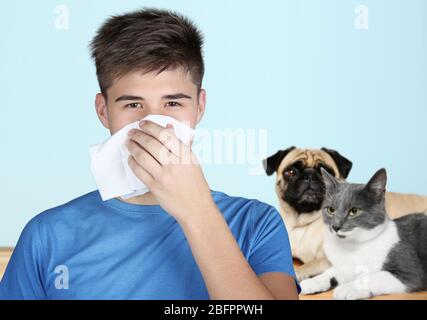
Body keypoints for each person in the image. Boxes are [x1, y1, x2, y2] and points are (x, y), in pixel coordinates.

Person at [0, 8, 300, 299]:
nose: (153, 124)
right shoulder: (47, 235)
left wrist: (196, 209)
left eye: (172, 104)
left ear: (200, 106)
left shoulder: (256, 223)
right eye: (133, 105)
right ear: (104, 111)